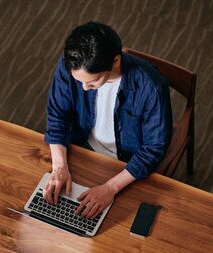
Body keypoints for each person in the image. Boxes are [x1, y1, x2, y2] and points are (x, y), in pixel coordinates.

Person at [44, 21, 173, 219]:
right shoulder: (70, 64)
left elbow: (154, 148)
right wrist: (60, 167)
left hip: (128, 165)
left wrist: (110, 188)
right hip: (80, 149)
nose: (85, 88)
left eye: (92, 81)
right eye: (80, 82)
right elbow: (57, 114)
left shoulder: (151, 87)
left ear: (115, 61)